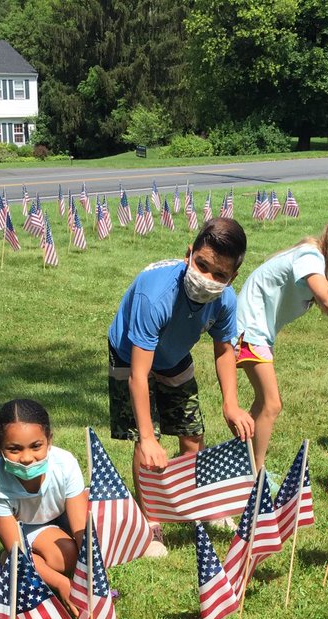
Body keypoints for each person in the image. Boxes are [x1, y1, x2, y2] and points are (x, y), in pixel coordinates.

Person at [107, 217, 254, 557]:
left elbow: (224, 350)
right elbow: (139, 375)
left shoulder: (225, 300)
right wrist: (147, 438)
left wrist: (230, 403)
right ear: (188, 254)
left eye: (219, 275)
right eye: (201, 265)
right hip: (131, 355)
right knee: (147, 440)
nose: (208, 278)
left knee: (192, 433)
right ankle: (150, 522)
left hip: (174, 354)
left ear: (232, 277)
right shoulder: (155, 295)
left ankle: (196, 503)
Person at [235, 205, 328, 468]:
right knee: (271, 404)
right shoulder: (310, 257)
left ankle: (242, 463)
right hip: (249, 329)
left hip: (259, 331)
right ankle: (255, 474)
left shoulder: (316, 260)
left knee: (263, 404)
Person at [0, 399, 86, 613]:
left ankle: (32, 565)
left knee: (89, 538)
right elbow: (18, 551)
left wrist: (91, 573)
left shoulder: (65, 464)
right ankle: (6, 563)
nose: (27, 458)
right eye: (14, 449)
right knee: (64, 557)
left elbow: (82, 530)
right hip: (26, 527)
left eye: (36, 446)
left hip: (61, 515)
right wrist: (62, 583)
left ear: (49, 440)